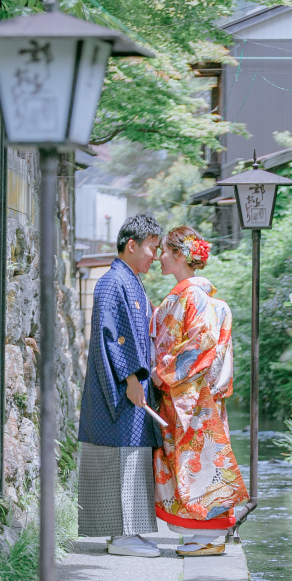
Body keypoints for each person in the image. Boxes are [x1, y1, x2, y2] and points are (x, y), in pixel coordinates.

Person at [152, 226, 249, 557]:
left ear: (179, 255)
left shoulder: (191, 296)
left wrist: (161, 373)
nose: (160, 256)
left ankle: (210, 537)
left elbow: (201, 343)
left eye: (164, 250)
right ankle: (203, 536)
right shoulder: (195, 296)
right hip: (189, 395)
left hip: (190, 397)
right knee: (198, 465)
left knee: (202, 465)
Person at [77, 213, 163, 558]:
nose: (154, 256)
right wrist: (131, 379)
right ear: (132, 245)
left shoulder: (127, 280)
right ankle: (121, 535)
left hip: (130, 385)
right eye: (151, 248)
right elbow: (116, 337)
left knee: (131, 456)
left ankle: (128, 532)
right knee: (119, 456)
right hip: (118, 387)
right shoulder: (113, 282)